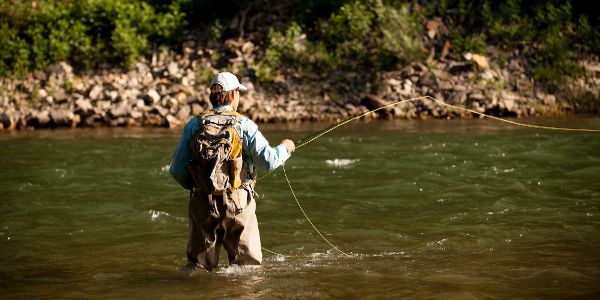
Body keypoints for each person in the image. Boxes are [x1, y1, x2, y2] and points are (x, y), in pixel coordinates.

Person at [170, 71, 295, 271]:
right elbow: (269, 162)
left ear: (212, 96)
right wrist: (286, 148)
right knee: (247, 271)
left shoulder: (194, 125)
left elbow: (176, 169)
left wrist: (199, 187)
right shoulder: (244, 124)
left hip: (203, 201)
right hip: (237, 202)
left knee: (197, 270)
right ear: (234, 93)